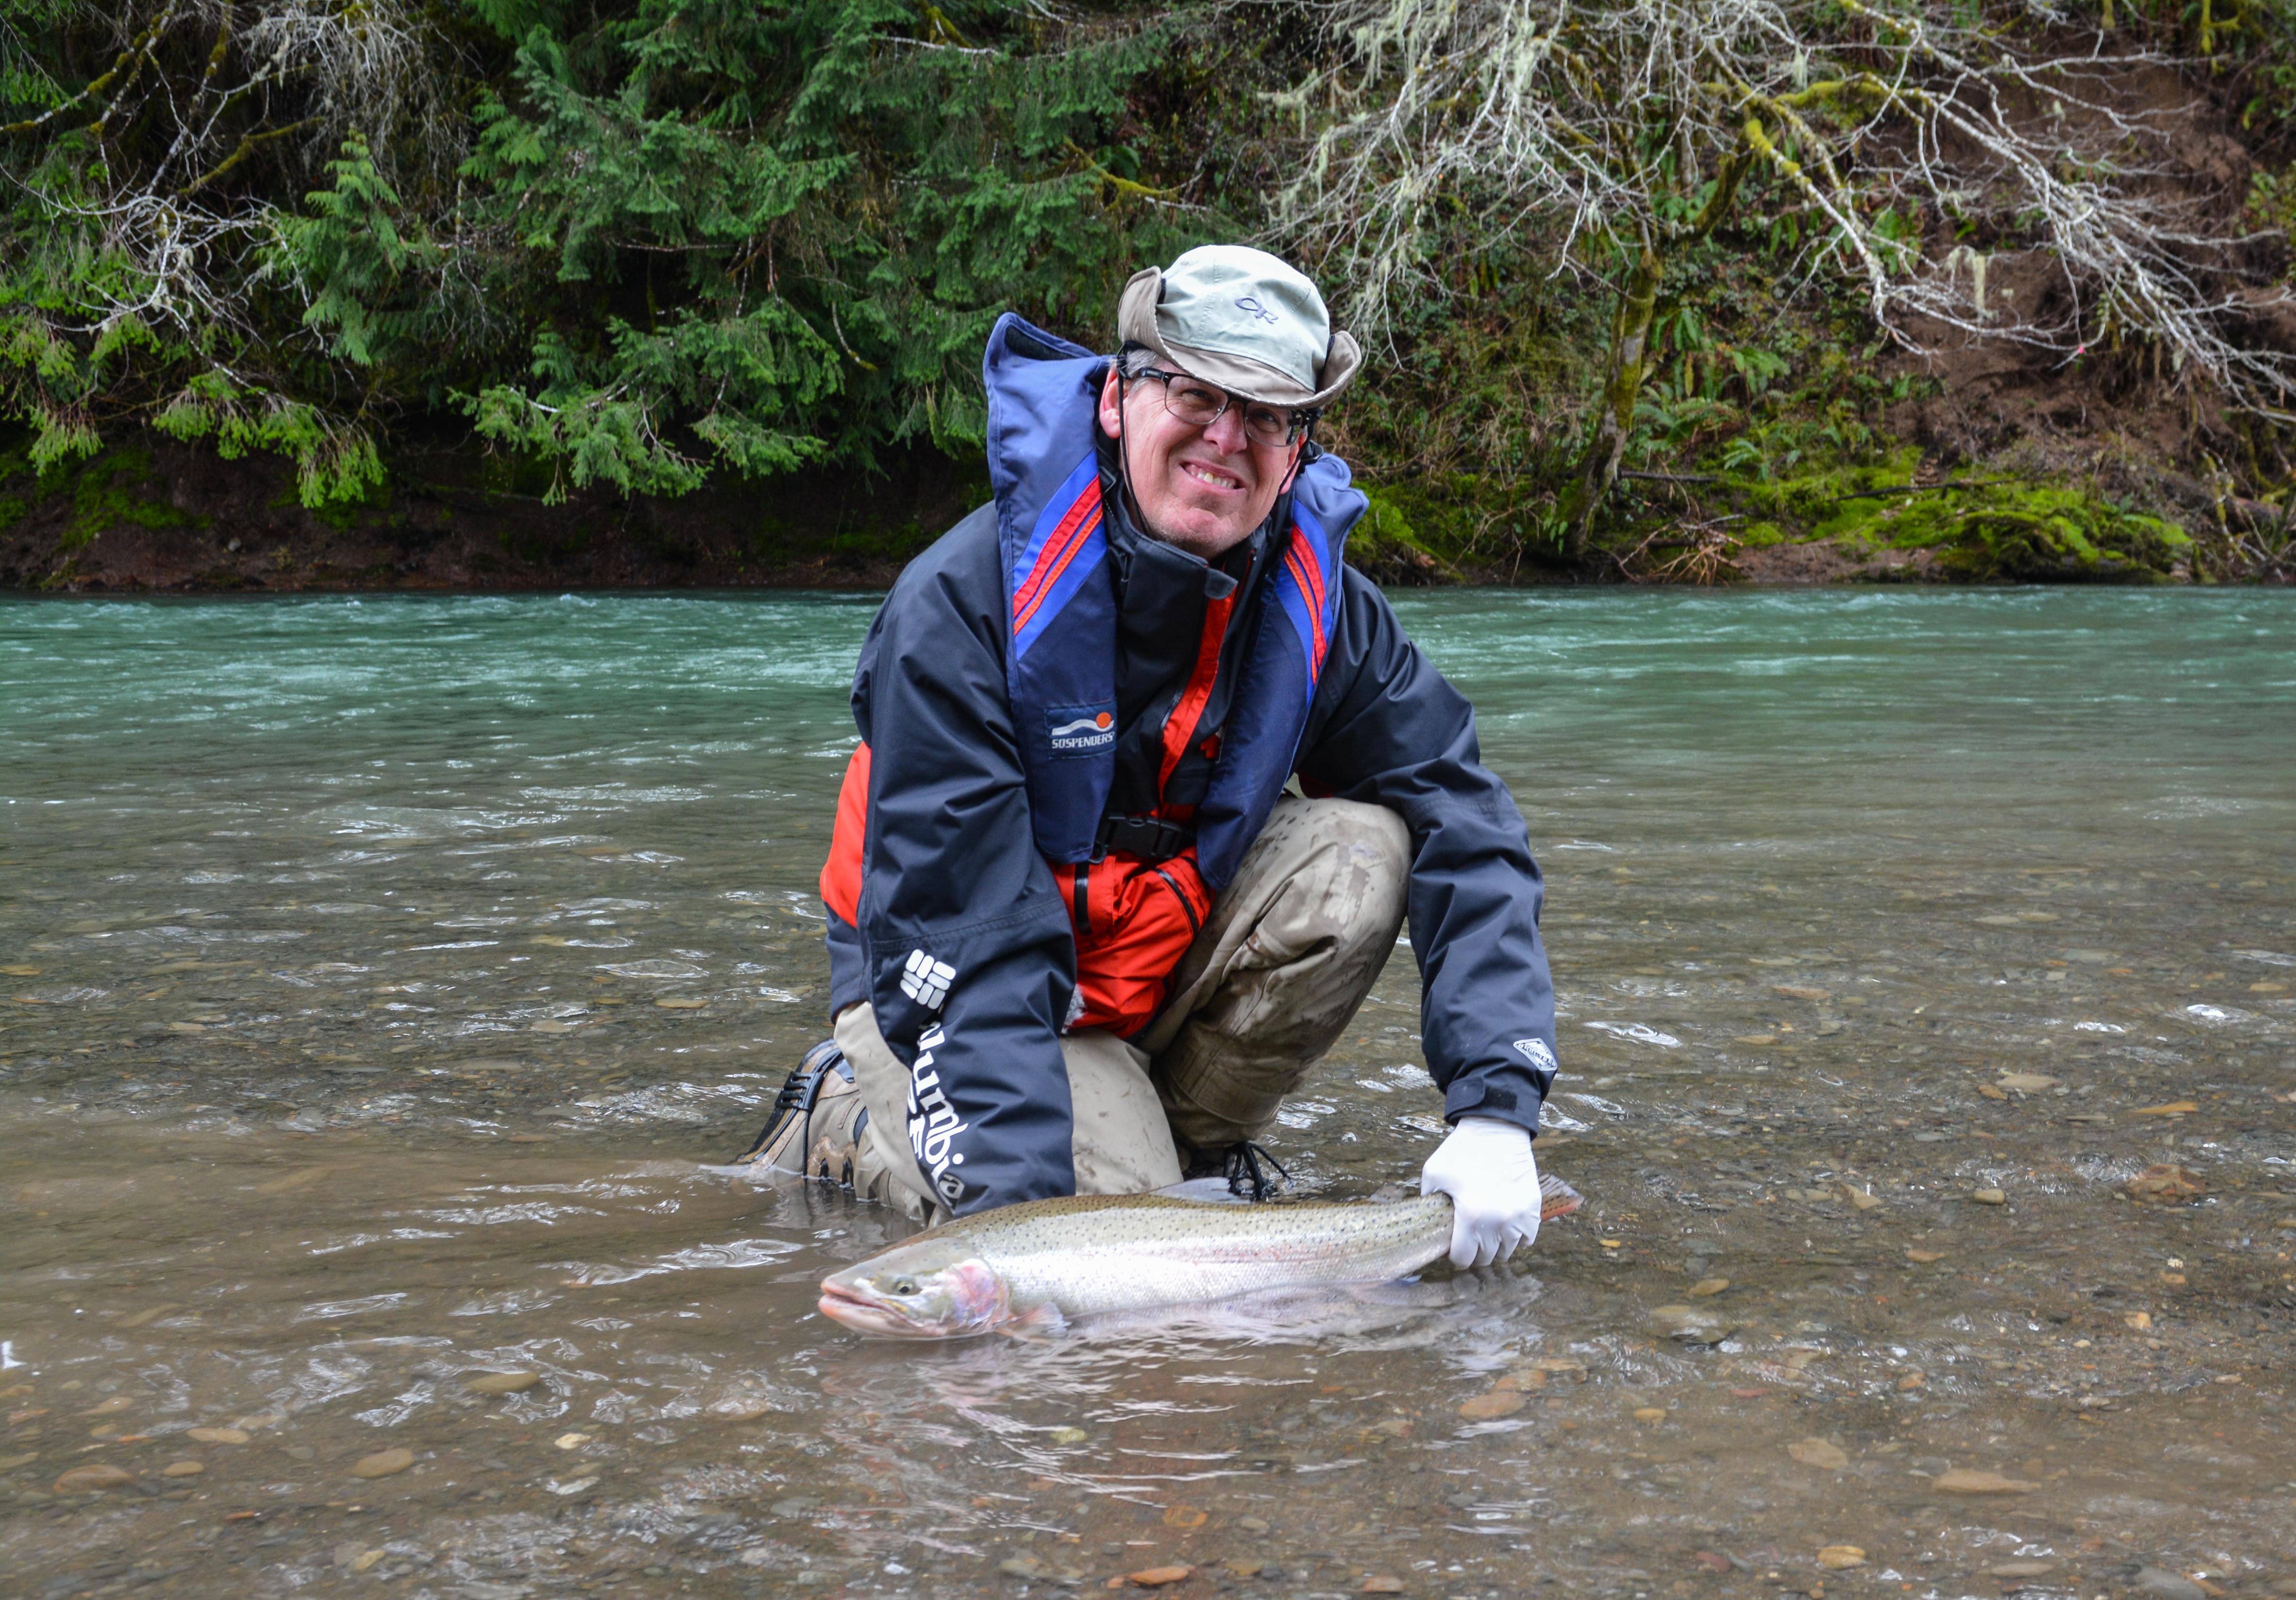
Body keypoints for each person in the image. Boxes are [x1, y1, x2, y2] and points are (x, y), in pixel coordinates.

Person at [734, 246, 1559, 1269]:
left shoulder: (1323, 611)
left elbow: (1463, 822)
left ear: (1296, 447)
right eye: (1193, 393)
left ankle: (1175, 1156)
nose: (1226, 437)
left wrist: (1495, 1108)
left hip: (1137, 965)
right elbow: (972, 948)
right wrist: (1026, 1248)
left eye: (1265, 416)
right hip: (950, 978)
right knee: (1077, 1247)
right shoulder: (956, 608)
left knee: (1361, 853)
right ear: (1118, 400)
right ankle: (838, 1118)